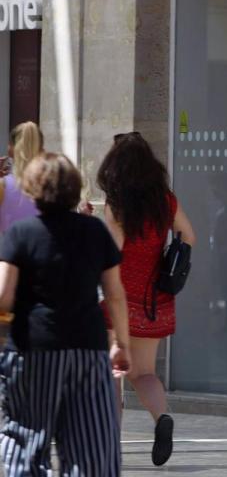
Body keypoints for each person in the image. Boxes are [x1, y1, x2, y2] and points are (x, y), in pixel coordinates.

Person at [0, 153, 131, 476]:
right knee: (90, 446)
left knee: (26, 438)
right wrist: (121, 344)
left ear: (33, 189)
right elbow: (114, 294)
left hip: (34, 347)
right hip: (88, 347)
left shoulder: (22, 233)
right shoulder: (95, 231)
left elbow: (4, 296)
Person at [96, 131, 195, 467]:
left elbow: (112, 252)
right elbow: (189, 236)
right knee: (145, 373)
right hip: (156, 300)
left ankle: (111, 443)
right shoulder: (165, 200)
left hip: (119, 297)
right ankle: (161, 417)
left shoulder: (116, 204)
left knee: (114, 374)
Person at [0, 122, 44, 236]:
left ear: (11, 149)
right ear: (42, 148)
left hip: (10, 251)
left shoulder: (3, 186)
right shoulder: (52, 184)